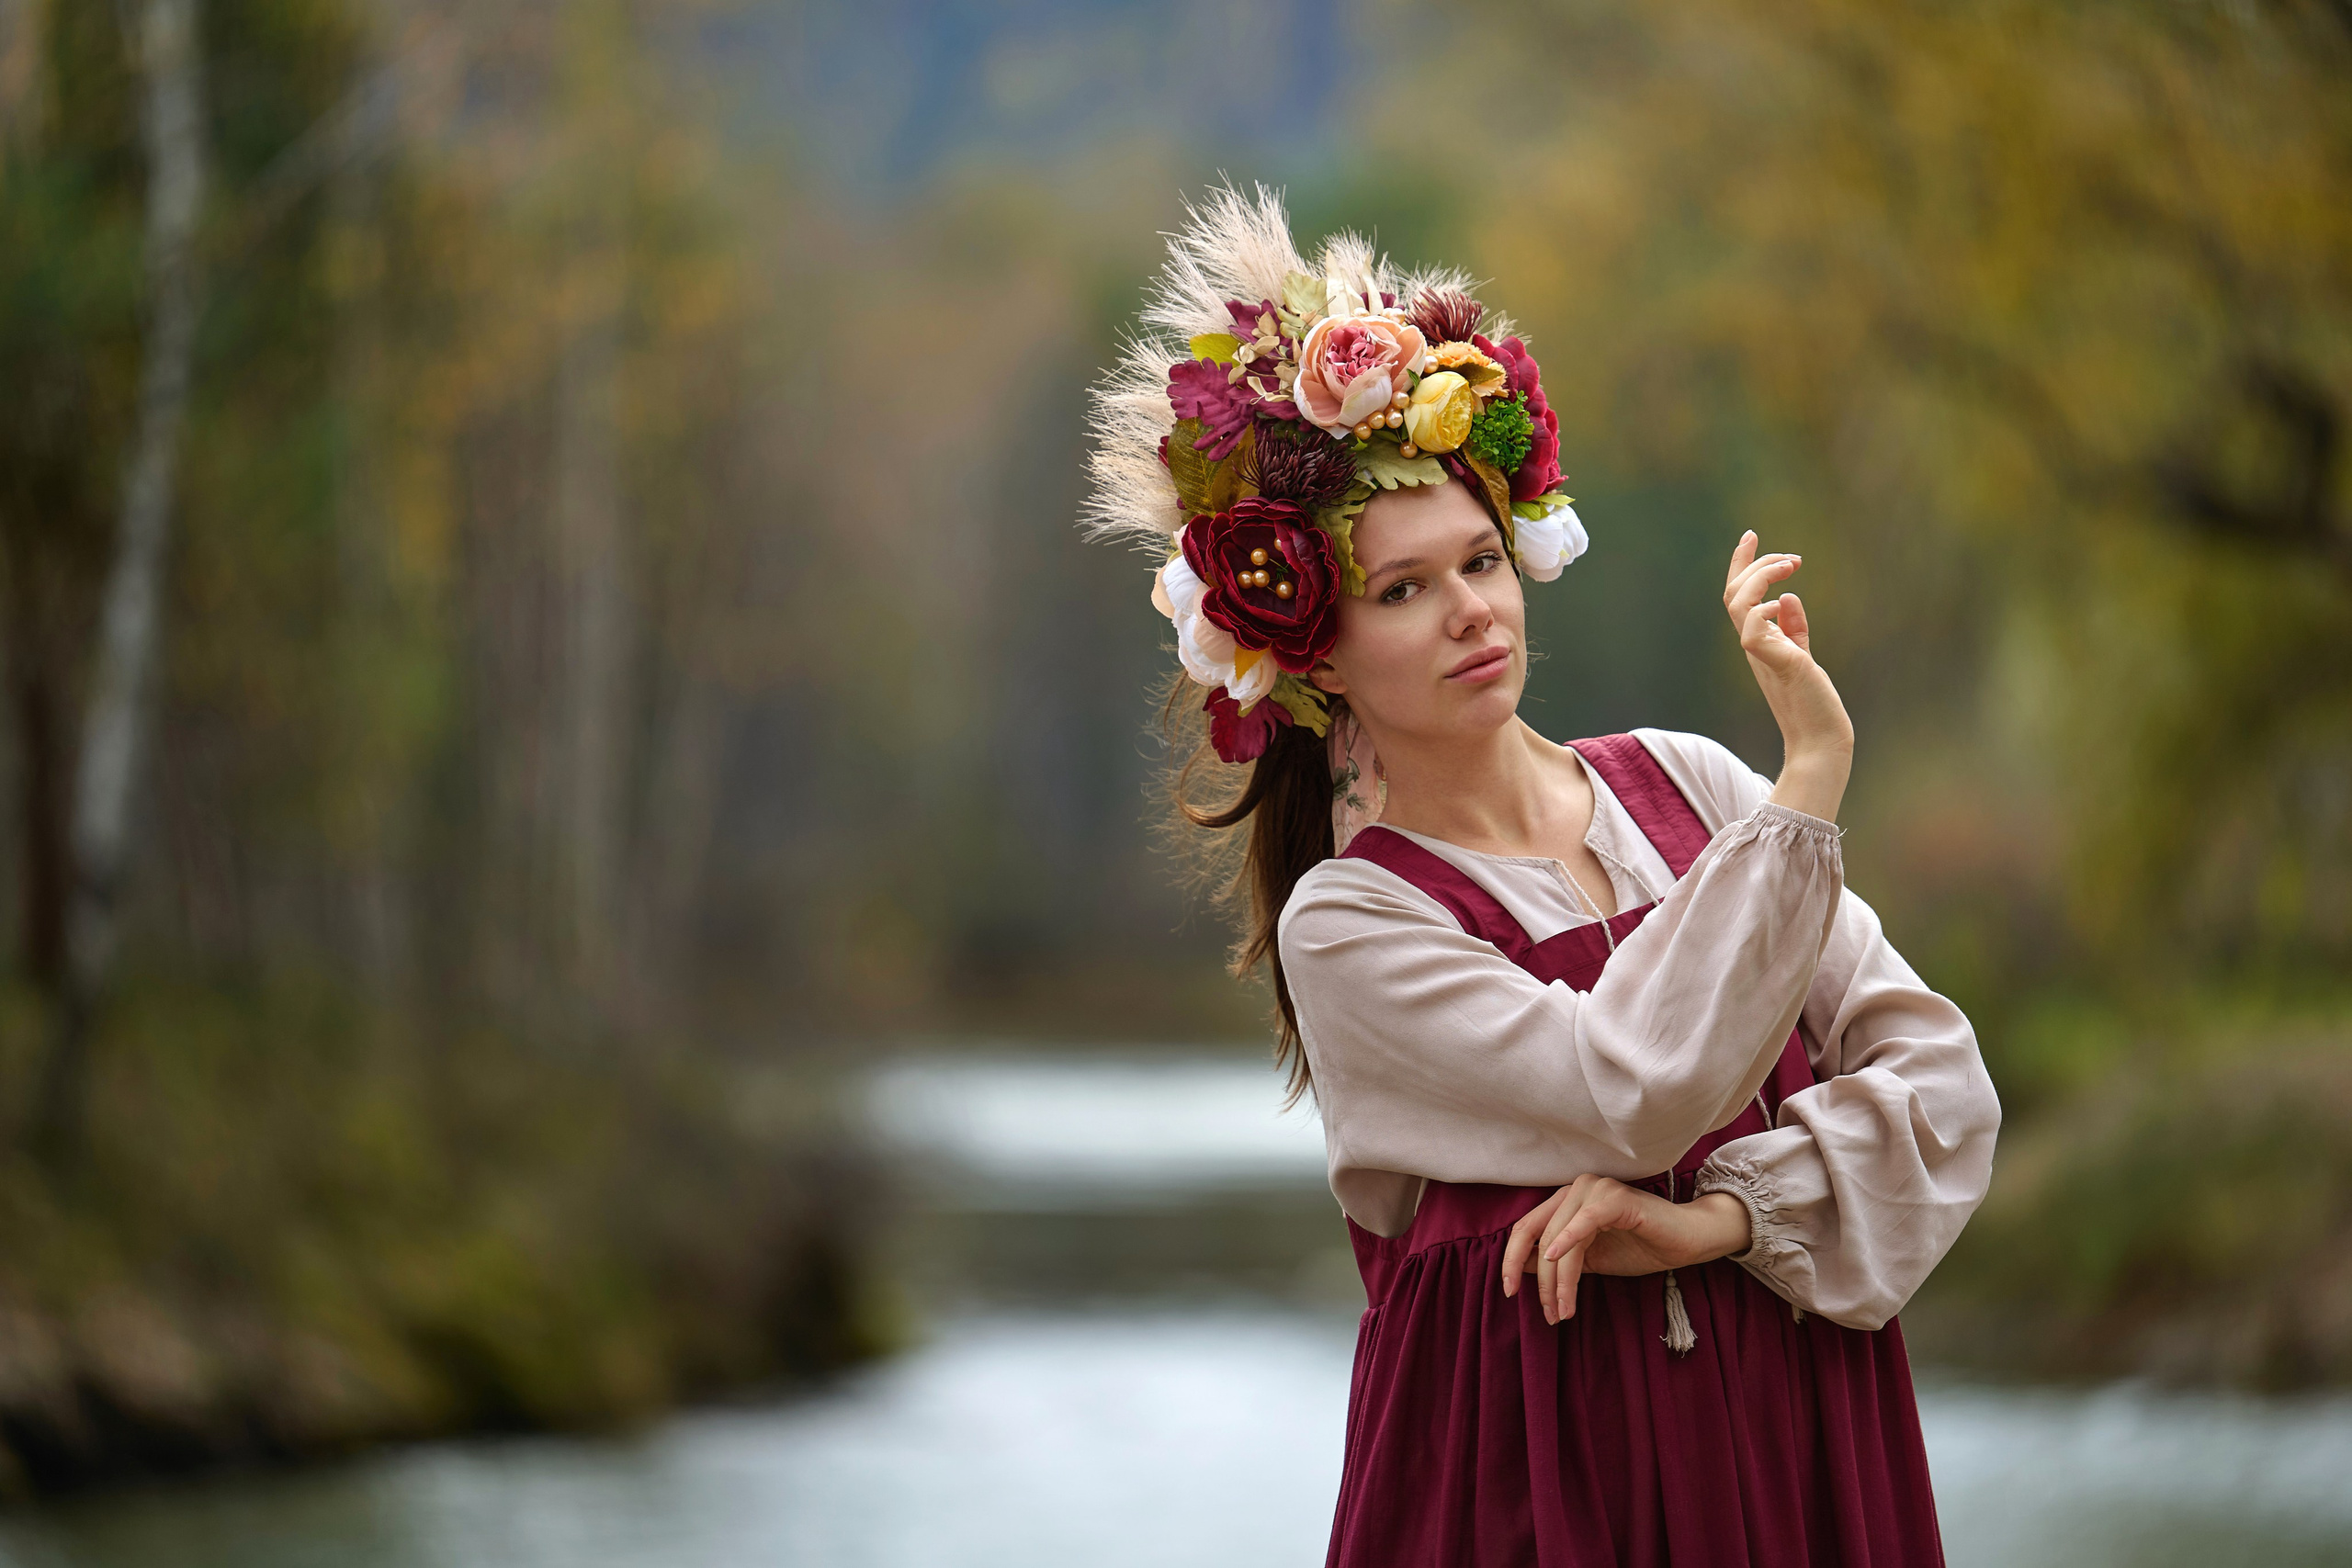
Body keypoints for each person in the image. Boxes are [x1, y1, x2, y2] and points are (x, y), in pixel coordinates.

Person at [1083, 184, 2001, 1566]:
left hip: (1798, 1421)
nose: (1471, 611)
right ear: (1317, 655)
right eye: (1402, 590)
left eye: (1480, 560)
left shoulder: (1691, 788)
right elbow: (1630, 1092)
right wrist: (1808, 780)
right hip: (1536, 1482)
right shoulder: (1353, 924)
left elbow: (1942, 1092)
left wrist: (1721, 1225)